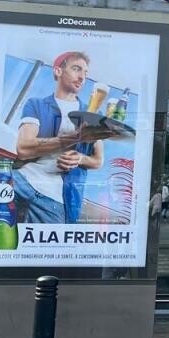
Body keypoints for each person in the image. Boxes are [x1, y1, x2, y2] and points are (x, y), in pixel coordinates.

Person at [13, 51, 113, 224]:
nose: (82, 77)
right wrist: (75, 137)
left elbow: (98, 161)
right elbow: (23, 149)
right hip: (22, 180)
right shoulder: (36, 104)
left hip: (55, 198)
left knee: (46, 249)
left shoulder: (93, 116)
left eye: (85, 73)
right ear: (58, 71)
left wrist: (80, 158)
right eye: (76, 69)